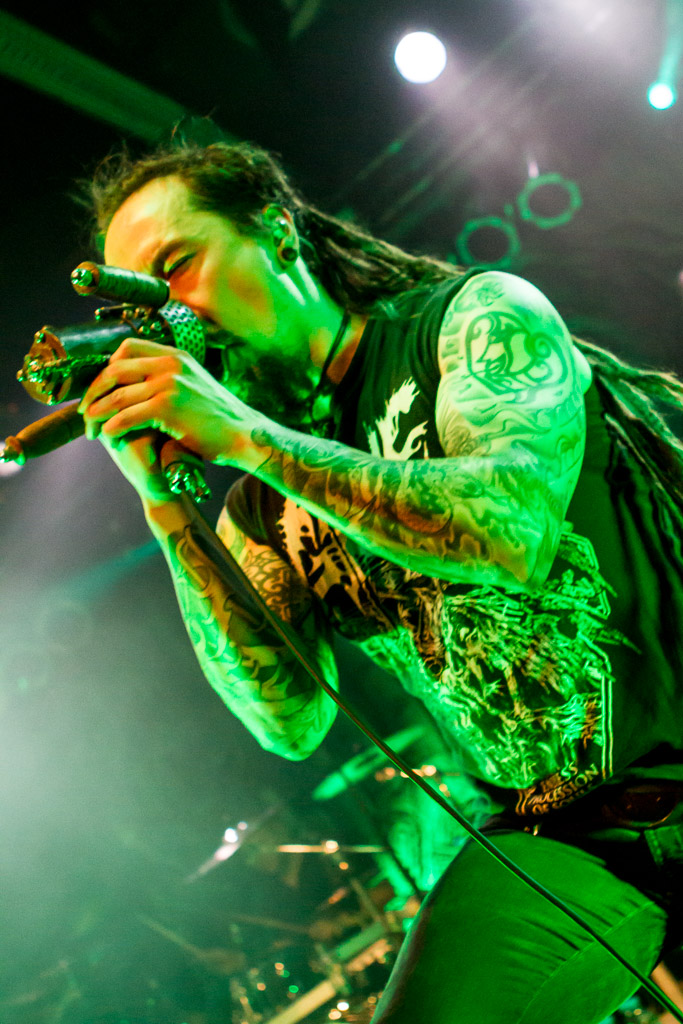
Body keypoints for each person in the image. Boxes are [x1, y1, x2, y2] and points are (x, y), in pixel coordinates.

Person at [77, 140, 683, 1024]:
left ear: (277, 233)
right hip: (563, 840)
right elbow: (286, 721)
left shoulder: (469, 320)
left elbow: (509, 530)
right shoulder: (260, 509)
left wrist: (247, 437)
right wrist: (166, 508)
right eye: (141, 304)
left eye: (177, 268)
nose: (171, 316)